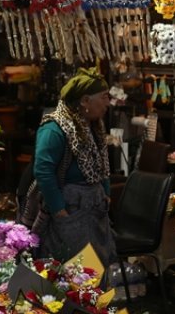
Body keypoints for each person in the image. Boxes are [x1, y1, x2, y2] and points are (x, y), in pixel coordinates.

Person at [25, 68, 115, 267]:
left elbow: (100, 164)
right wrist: (59, 210)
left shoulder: (93, 127)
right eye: (104, 97)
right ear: (84, 101)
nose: (108, 103)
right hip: (70, 210)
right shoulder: (54, 129)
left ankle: (96, 299)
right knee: (71, 270)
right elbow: (43, 172)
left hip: (94, 210)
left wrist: (105, 193)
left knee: (96, 269)